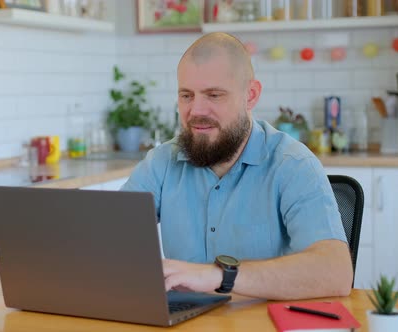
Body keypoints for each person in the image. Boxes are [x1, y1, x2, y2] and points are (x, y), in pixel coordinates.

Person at [120, 32, 352, 300]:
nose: (196, 111)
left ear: (250, 96)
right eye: (186, 96)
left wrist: (220, 276)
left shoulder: (294, 165)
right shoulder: (161, 162)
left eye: (213, 95)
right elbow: (109, 236)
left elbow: (335, 273)